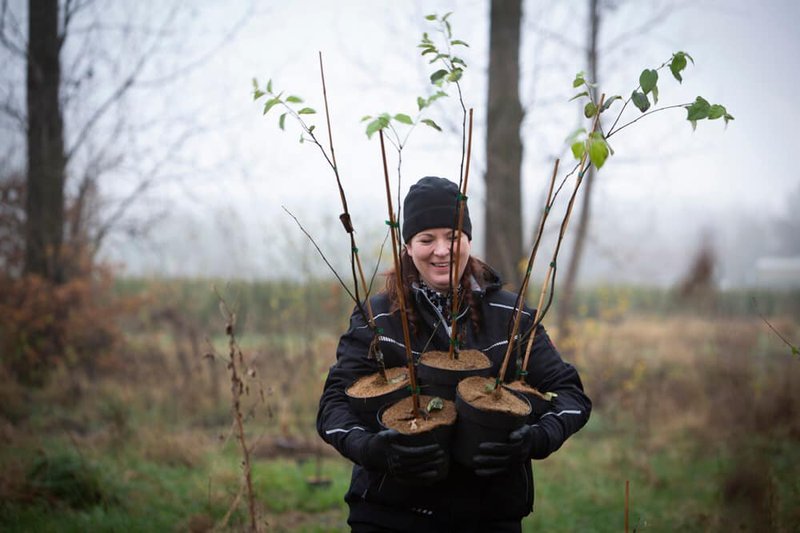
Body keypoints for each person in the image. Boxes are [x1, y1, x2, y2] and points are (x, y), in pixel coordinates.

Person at [317, 176, 591, 532]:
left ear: (469, 241)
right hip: (390, 515)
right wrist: (372, 450)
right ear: (409, 246)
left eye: (453, 236)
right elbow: (332, 405)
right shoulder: (378, 317)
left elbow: (571, 395)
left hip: (488, 514)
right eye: (426, 239)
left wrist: (535, 439)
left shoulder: (511, 315)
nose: (441, 250)